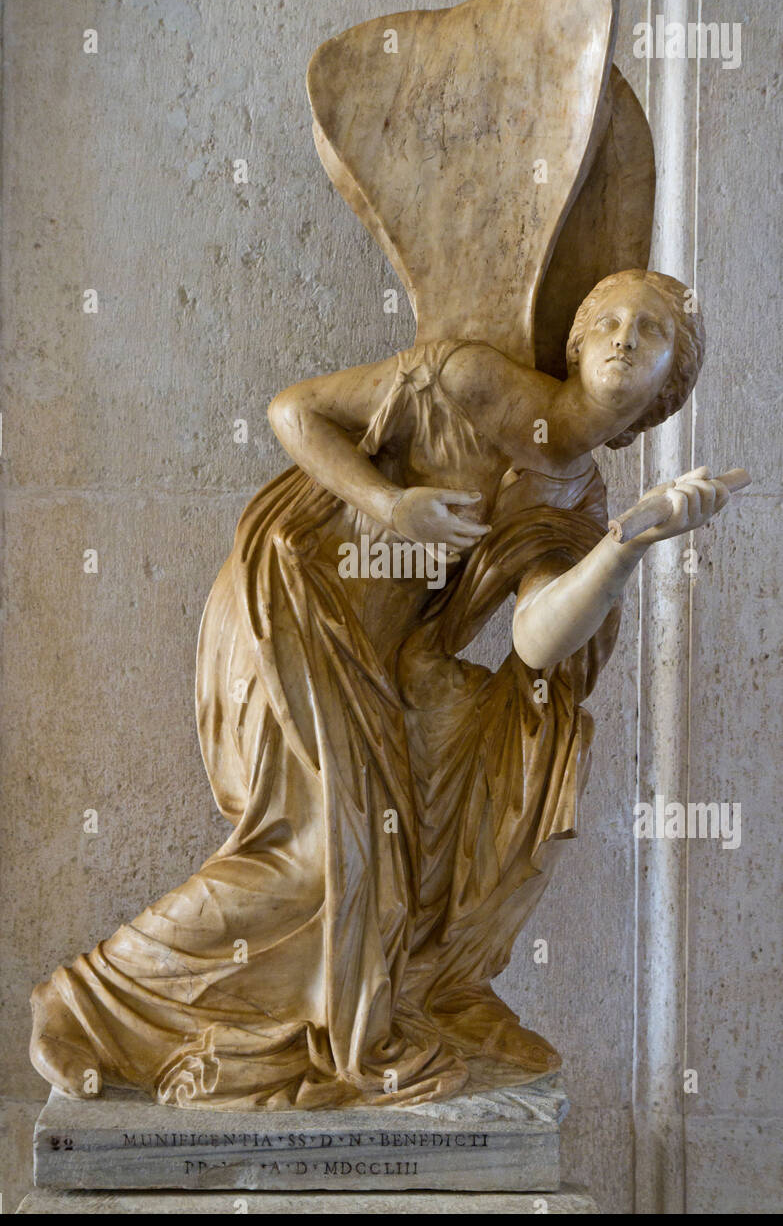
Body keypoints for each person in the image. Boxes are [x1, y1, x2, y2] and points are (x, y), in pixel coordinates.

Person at [30, 269, 730, 1109]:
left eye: (649, 332)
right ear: (575, 343)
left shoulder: (577, 497)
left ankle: (332, 1004)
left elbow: (535, 638)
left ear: (666, 392)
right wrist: (389, 504)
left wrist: (622, 545)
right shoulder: (473, 380)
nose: (623, 337)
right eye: (607, 321)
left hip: (370, 664)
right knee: (312, 860)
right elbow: (295, 410)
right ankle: (83, 1005)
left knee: (365, 866)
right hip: (290, 601)